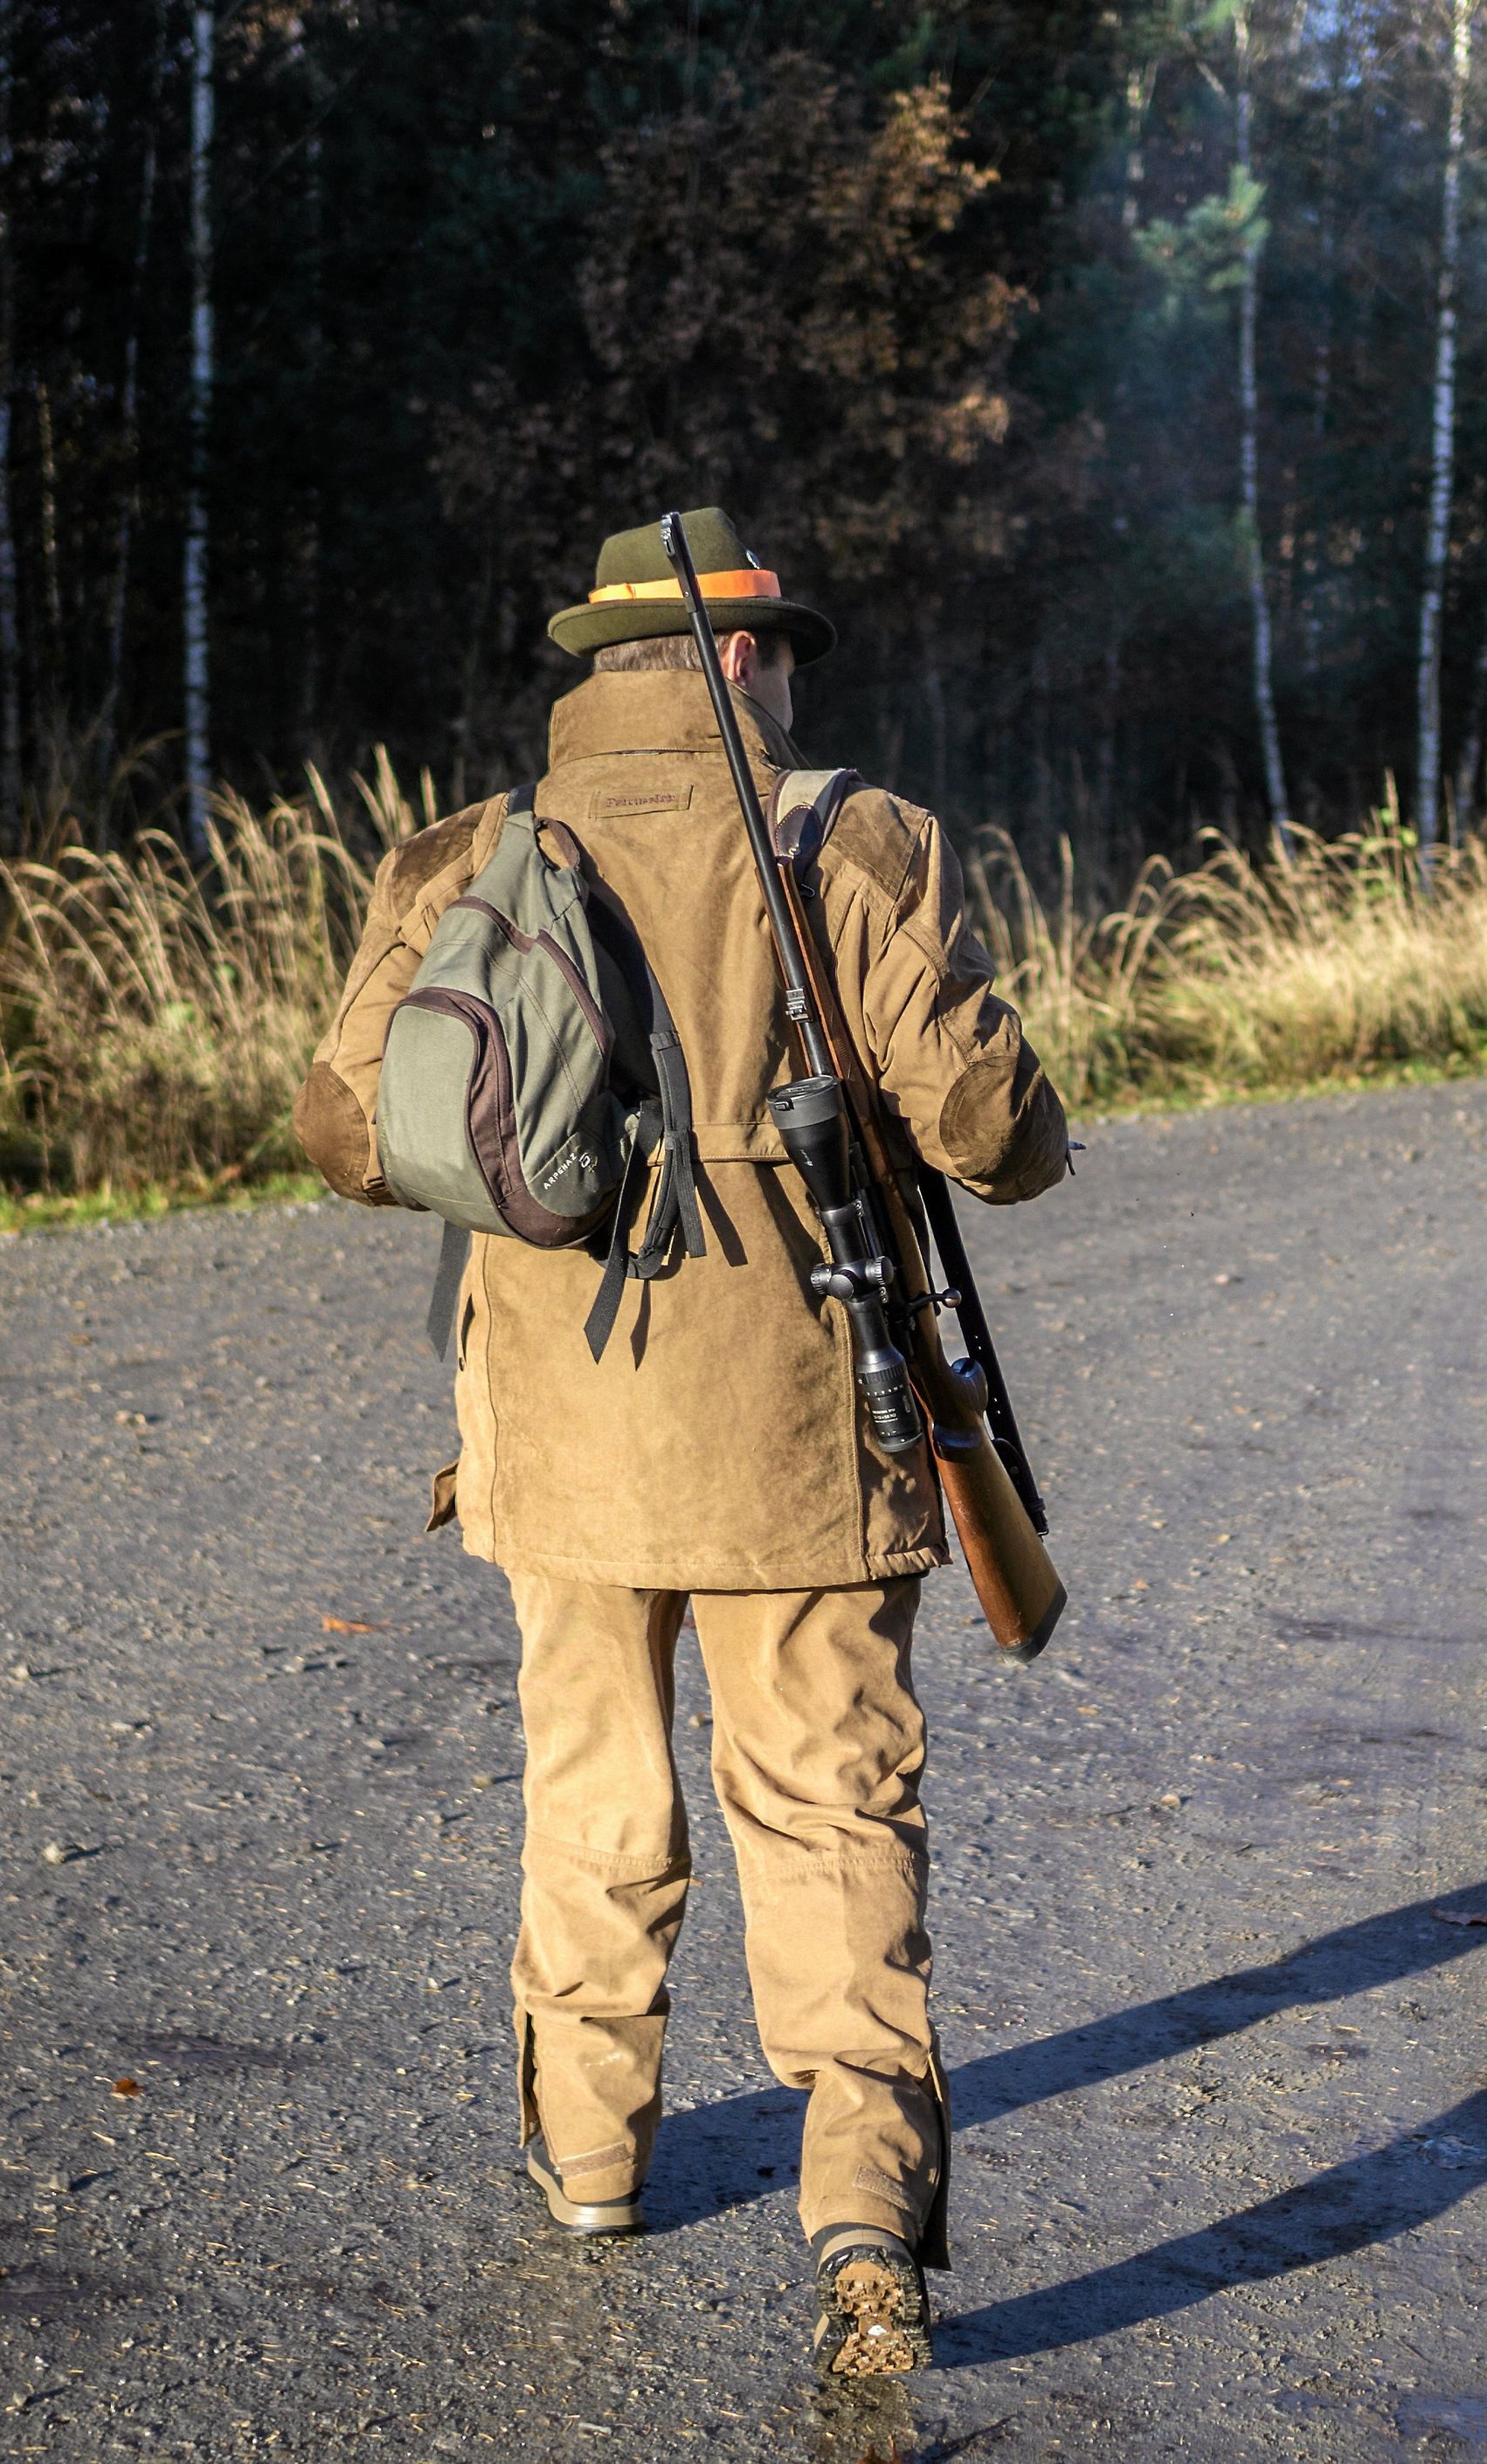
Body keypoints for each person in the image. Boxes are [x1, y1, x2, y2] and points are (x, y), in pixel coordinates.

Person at [294, 507, 1068, 2376]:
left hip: (554, 1432)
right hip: (805, 1429)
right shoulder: (849, 839)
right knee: (825, 1799)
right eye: (781, 647)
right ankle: (865, 2204)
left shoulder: (467, 852)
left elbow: (343, 1127)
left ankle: (589, 2159)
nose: (795, 675)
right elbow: (996, 1135)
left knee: (592, 1786)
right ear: (735, 660)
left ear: (603, 667)